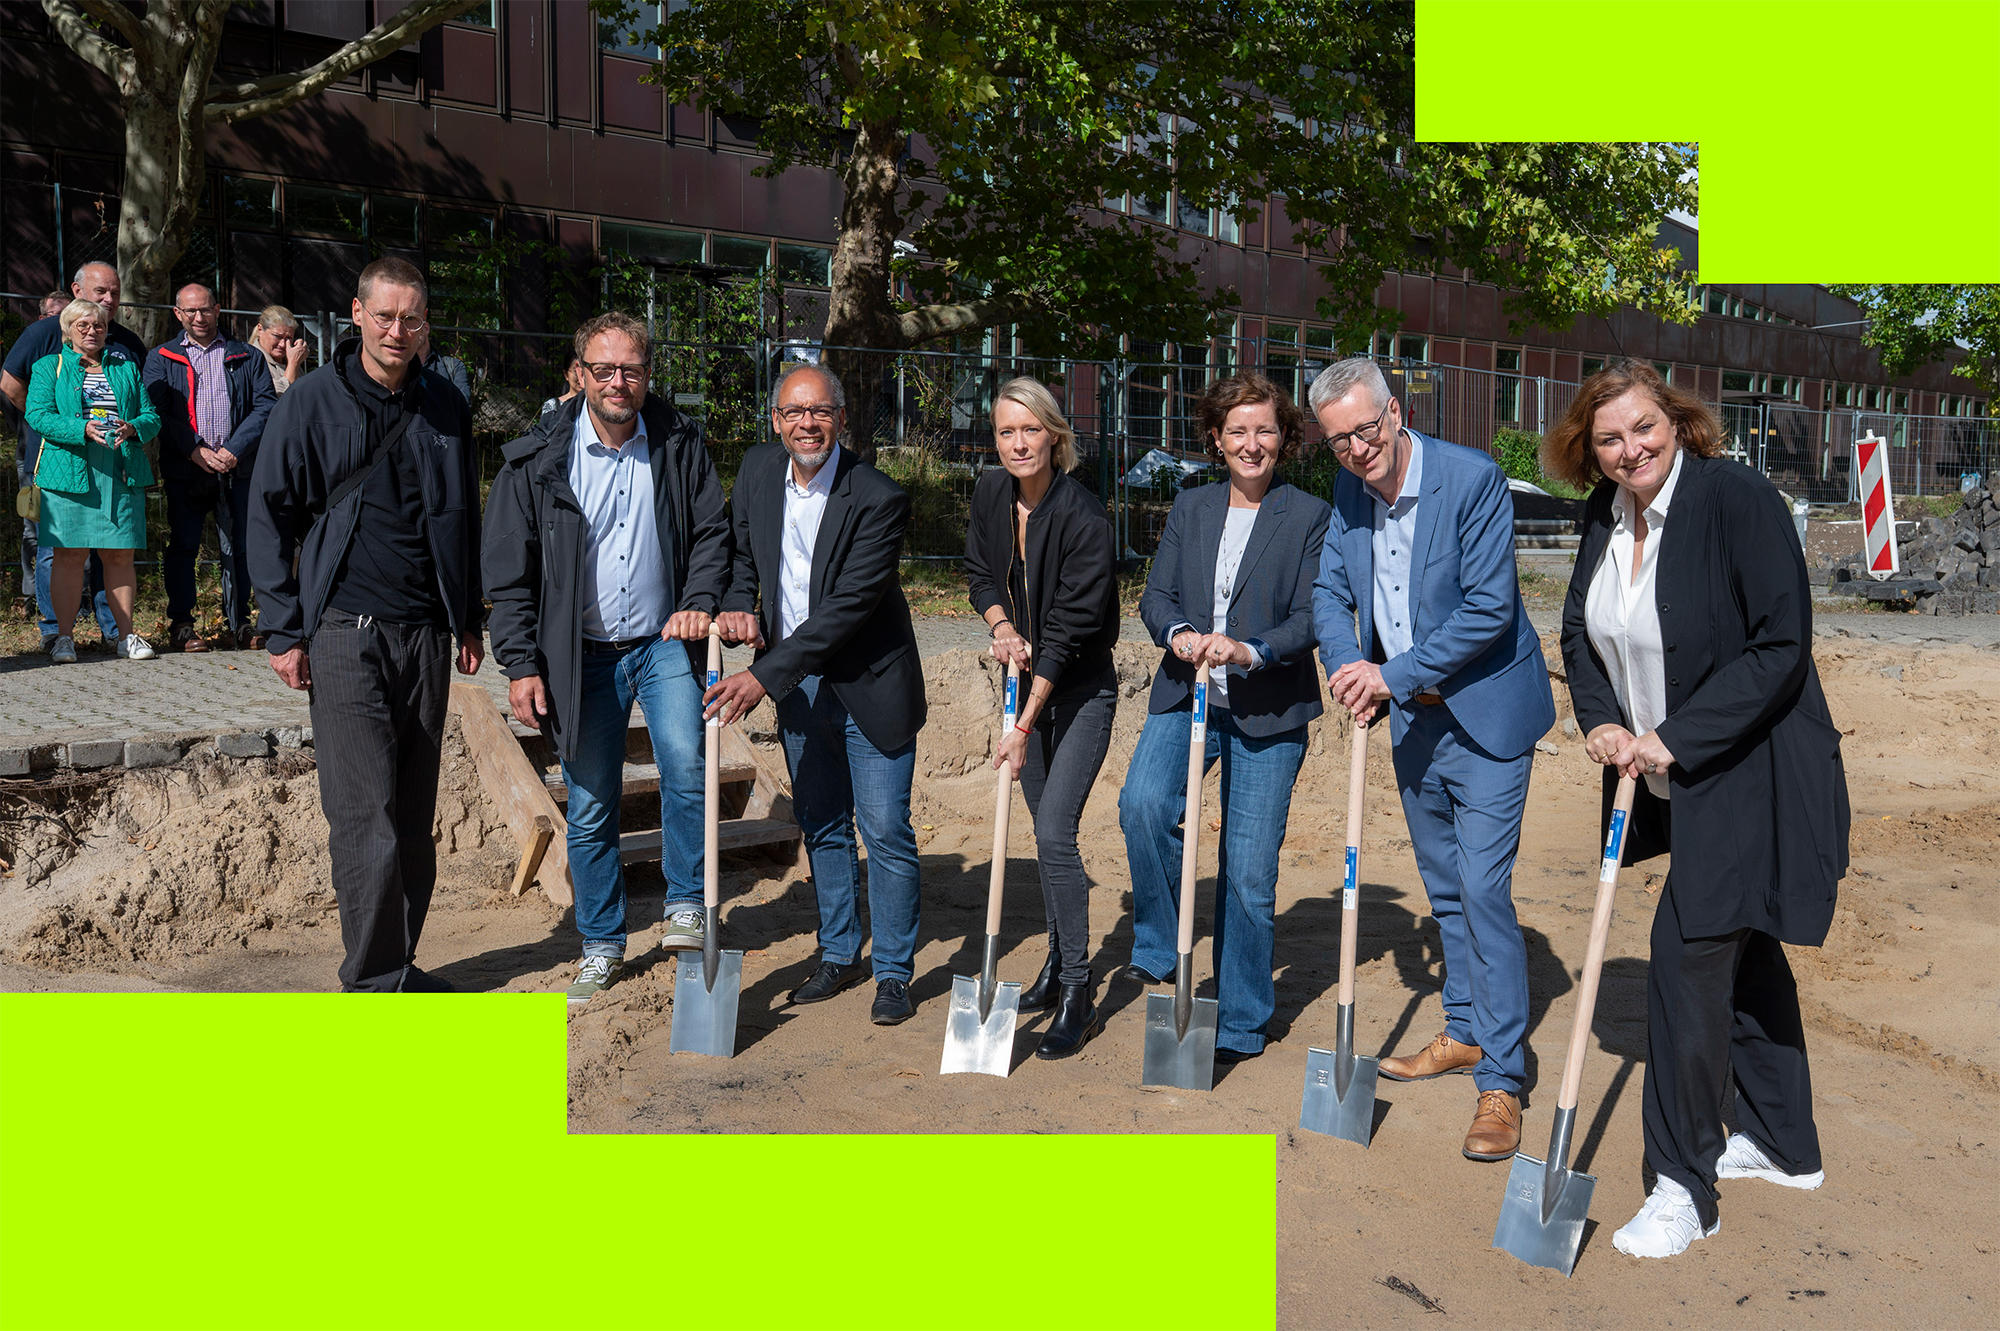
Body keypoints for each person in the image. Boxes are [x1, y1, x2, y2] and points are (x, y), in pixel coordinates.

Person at [1548, 359, 1850, 1259]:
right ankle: (1787, 1144)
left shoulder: (1735, 500)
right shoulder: (1605, 515)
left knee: (1686, 961)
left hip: (1751, 772)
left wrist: (1674, 736)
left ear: (1677, 421)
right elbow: (1578, 628)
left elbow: (1781, 645)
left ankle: (1685, 1185)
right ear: (1588, 451)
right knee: (1744, 950)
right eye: (1608, 438)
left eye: (1643, 427)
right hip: (1664, 775)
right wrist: (1602, 722)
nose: (1629, 448)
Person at [1309, 356, 1555, 1162]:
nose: (1356, 449)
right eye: (1339, 439)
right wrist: (1352, 663)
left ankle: (1505, 1081)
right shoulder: (1348, 489)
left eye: (1366, 428)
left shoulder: (1473, 481)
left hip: (1485, 717)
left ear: (1396, 410)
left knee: (1484, 890)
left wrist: (1391, 671)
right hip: (1412, 723)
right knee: (1446, 891)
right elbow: (1328, 595)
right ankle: (1463, 1032)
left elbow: (1490, 609)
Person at [246, 256, 485, 993]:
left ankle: (401, 963)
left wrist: (468, 613)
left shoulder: (446, 404)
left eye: (411, 318)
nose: (397, 330)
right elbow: (266, 515)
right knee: (364, 816)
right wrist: (284, 630)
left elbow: (461, 516)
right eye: (384, 315)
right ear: (356, 313)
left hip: (426, 635)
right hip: (347, 631)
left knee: (414, 820)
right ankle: (375, 981)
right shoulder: (311, 403)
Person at [483, 312, 730, 1004]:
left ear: (648, 373)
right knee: (591, 807)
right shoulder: (536, 462)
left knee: (686, 766)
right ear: (578, 374)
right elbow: (508, 573)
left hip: (660, 643)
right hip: (579, 657)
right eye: (604, 369)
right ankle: (601, 943)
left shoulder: (679, 444)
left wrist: (700, 595)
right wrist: (521, 664)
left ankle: (684, 904)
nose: (618, 381)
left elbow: (713, 532)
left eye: (632, 369)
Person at [1119, 372, 1331, 1063]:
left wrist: (1251, 648)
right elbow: (1156, 596)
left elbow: (1310, 617)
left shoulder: (1308, 514)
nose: (1250, 442)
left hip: (1267, 705)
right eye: (1236, 430)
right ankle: (1160, 946)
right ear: (1215, 438)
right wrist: (1179, 632)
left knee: (1247, 868)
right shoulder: (1192, 506)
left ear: (1284, 438)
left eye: (1264, 429)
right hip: (1190, 693)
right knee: (1143, 803)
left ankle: (1241, 1016)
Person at [706, 366, 927, 1024]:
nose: (808, 423)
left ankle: (893, 971)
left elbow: (846, 611)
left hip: (870, 684)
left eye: (821, 411)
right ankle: (838, 953)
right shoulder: (754, 471)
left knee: (884, 829)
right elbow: (741, 551)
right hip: (798, 689)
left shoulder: (878, 497)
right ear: (775, 419)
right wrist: (735, 605)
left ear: (840, 419)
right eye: (794, 412)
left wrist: (762, 675)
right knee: (823, 823)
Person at [963, 376, 1119, 1059]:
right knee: (1043, 835)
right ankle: (1056, 966)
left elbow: (1064, 633)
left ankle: (1080, 993)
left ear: (1056, 436)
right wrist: (1000, 625)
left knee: (1056, 830)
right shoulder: (992, 493)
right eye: (1006, 431)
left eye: (1031, 430)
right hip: (1024, 680)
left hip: (1077, 690)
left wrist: (1023, 724)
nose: (1018, 443)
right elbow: (977, 572)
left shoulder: (1084, 517)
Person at [2, 263, 148, 652]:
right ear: (67, 325)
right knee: (61, 553)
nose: (106, 305)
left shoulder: (126, 355)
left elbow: (149, 412)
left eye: (114, 295)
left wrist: (134, 427)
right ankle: (58, 633)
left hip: (116, 468)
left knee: (115, 554)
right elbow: (26, 402)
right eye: (100, 293)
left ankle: (117, 632)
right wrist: (68, 430)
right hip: (62, 464)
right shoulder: (45, 351)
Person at [144, 282, 277, 651]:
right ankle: (183, 626)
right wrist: (195, 450)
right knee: (183, 547)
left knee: (238, 547)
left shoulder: (247, 356)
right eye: (191, 311)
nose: (199, 317)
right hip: (187, 468)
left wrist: (234, 449)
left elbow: (265, 406)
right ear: (178, 314)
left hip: (237, 468)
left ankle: (241, 625)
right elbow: (157, 412)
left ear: (218, 310)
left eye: (205, 310)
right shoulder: (161, 357)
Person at [251, 306, 310, 395]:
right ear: (260, 329)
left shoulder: (288, 359)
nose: (283, 344)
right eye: (277, 336)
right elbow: (280, 398)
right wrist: (293, 363)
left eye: (288, 338)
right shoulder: (251, 361)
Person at [538, 349, 582, 417]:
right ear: (566, 374)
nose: (581, 377)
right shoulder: (553, 406)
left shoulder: (596, 405)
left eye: (585, 372)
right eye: (576, 372)